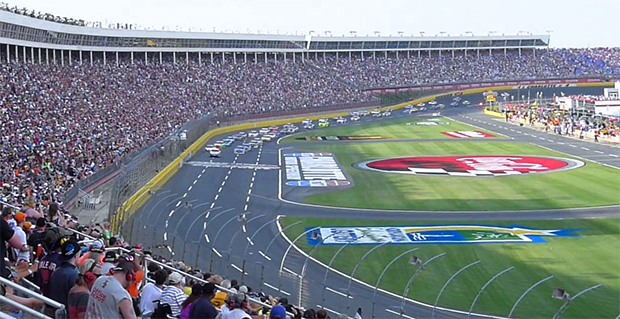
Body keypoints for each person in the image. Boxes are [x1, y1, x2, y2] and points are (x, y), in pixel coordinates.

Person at [50, 238, 81, 311]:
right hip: (68, 312)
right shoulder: (74, 274)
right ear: (76, 256)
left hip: (57, 310)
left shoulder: (56, 272)